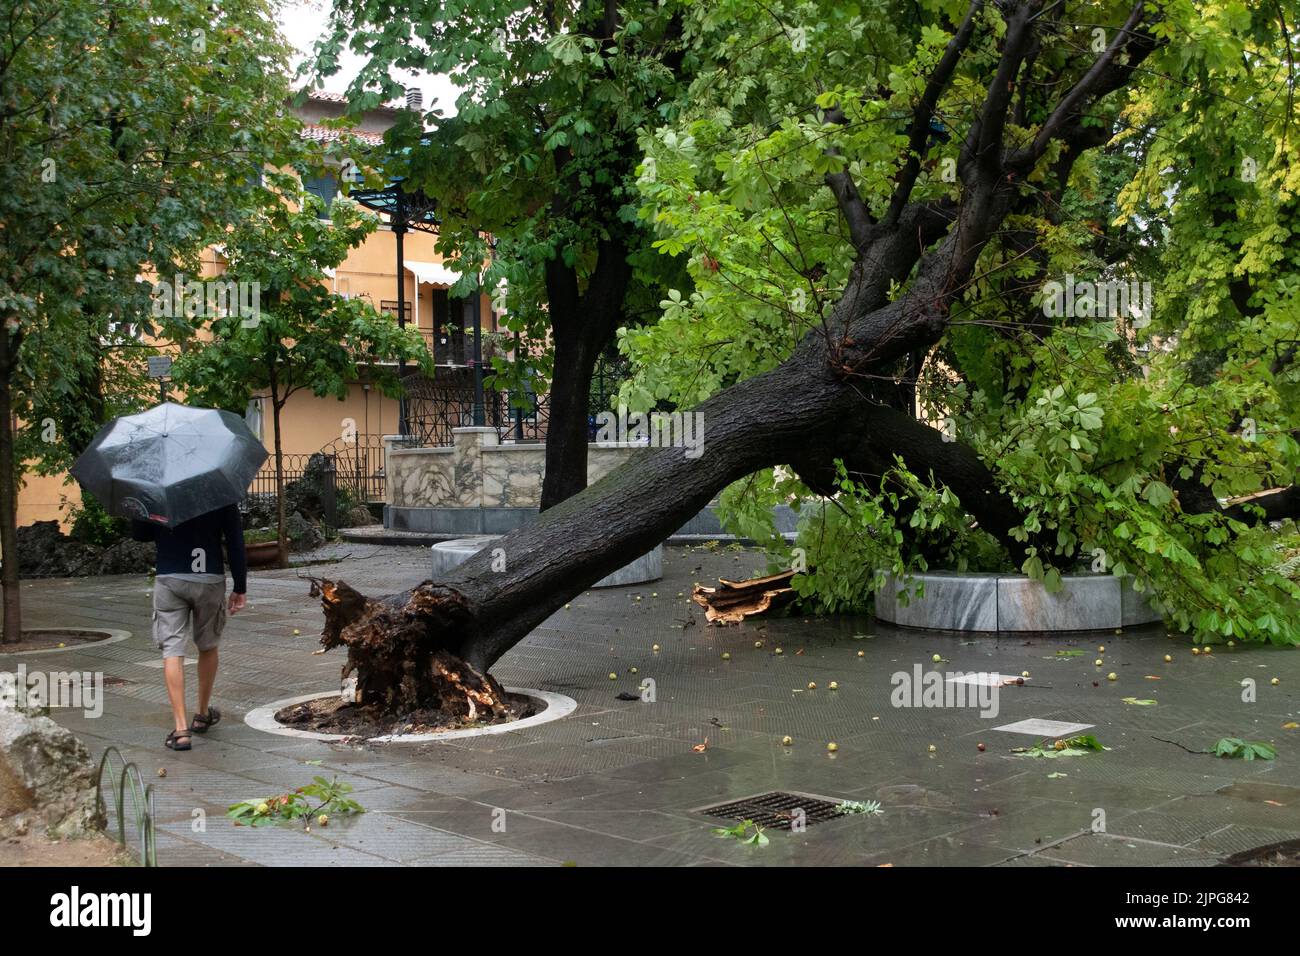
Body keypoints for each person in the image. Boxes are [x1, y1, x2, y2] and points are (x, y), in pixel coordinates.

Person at [132, 502, 247, 751]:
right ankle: (202, 713)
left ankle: (181, 729)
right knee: (208, 645)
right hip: (209, 578)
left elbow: (140, 535)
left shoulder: (158, 492)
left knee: (172, 649)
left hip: (170, 577)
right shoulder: (219, 493)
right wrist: (240, 586)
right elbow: (235, 541)